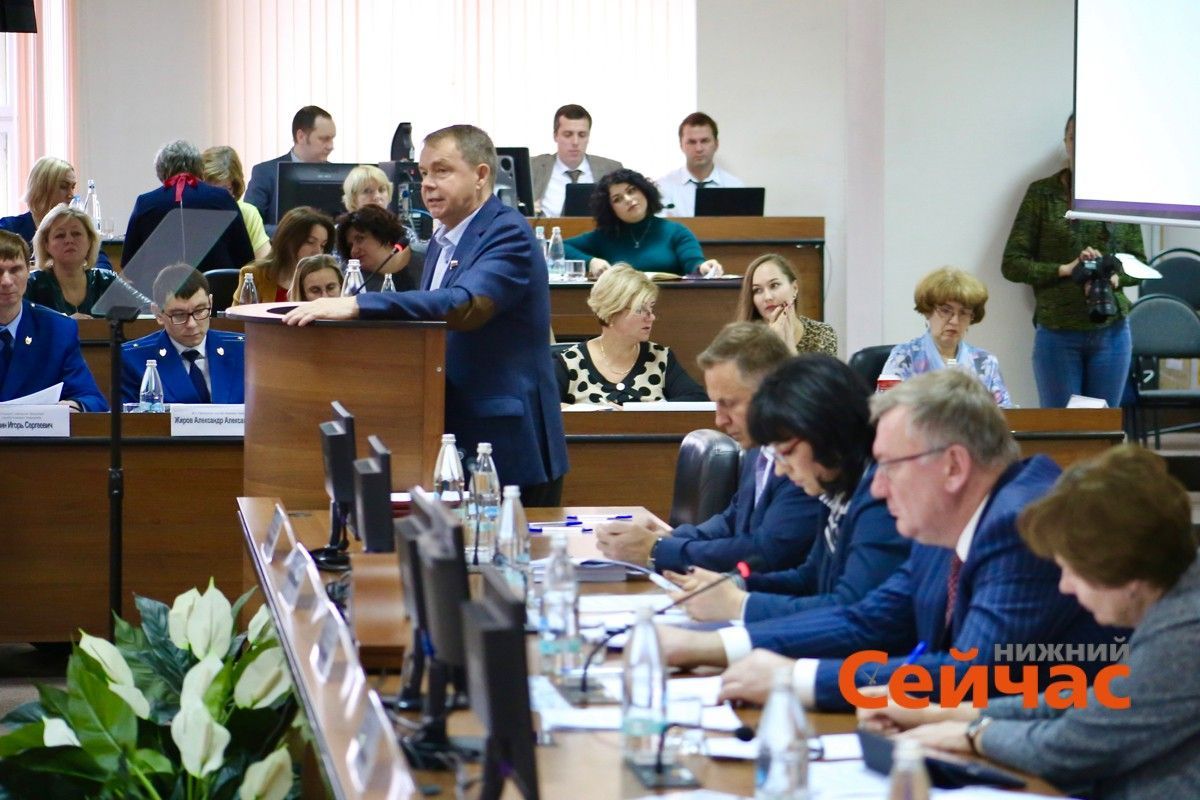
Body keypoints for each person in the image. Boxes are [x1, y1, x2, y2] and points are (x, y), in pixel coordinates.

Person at [663, 370, 1115, 712]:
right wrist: (711, 647)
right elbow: (873, 618)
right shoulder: (946, 522)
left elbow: (971, 675)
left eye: (891, 466)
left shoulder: (1020, 526)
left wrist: (799, 679)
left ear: (954, 467)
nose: (876, 488)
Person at [861, 445, 1200, 799]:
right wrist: (939, 713)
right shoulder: (1175, 602)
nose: (1064, 586)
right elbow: (1088, 702)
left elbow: (1068, 748)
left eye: (1073, 570)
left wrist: (971, 736)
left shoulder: (1185, 633)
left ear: (1127, 574)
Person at [282, 124, 568, 504]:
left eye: (442, 171)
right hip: (449, 435)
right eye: (424, 174)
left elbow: (464, 305)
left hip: (505, 446)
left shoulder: (507, 233)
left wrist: (357, 304)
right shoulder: (443, 237)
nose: (427, 184)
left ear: (481, 175)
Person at [663, 353, 910, 624]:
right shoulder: (838, 488)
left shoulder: (880, 495)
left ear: (825, 433)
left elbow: (851, 610)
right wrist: (734, 585)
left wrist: (741, 606)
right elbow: (809, 577)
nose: (781, 469)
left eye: (785, 452)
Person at [595, 322, 824, 574]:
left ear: (771, 393)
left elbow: (768, 551)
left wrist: (658, 549)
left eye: (729, 403)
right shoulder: (758, 446)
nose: (719, 420)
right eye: (716, 404)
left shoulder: (806, 456)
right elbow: (734, 518)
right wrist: (670, 536)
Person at [1002, 114, 1145, 408]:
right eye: (1074, 139)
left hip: (1112, 332)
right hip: (1058, 333)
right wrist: (1064, 269)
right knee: (1062, 431)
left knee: (1103, 432)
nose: (1080, 147)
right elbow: (1012, 263)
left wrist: (1115, 277)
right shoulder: (1042, 194)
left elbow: (1139, 262)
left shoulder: (1122, 192)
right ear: (1065, 142)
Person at [555, 264, 705, 405]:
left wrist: (643, 412)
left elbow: (697, 400)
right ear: (612, 312)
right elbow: (543, 409)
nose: (651, 317)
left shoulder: (660, 357)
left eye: (651, 308)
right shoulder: (569, 362)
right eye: (640, 310)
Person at [0, 230, 106, 411]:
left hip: (35, 436)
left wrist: (75, 406)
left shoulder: (58, 329)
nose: (7, 281)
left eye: (15, 270)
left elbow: (92, 400)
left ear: (29, 272)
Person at [880, 267, 1012, 407]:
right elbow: (885, 410)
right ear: (927, 311)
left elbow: (1005, 417)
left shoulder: (985, 363)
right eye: (945, 311)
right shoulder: (902, 357)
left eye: (964, 313)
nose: (955, 321)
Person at [563, 169, 724, 279]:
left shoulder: (676, 231)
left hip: (672, 305)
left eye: (631, 190)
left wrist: (703, 267)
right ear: (610, 209)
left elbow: (693, 263)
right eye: (617, 199)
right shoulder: (604, 236)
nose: (628, 199)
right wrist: (590, 261)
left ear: (645, 192)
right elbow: (558, 248)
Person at [123, 140, 255, 274]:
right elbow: (245, 257)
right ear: (199, 167)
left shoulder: (145, 203)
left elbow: (129, 265)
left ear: (161, 170)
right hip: (217, 289)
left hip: (158, 291)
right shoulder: (223, 198)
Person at [121, 265, 245, 404]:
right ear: (158, 313)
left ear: (211, 302)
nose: (191, 324)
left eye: (200, 311)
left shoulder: (244, 351)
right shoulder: (133, 360)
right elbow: (129, 421)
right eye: (179, 315)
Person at [0, 157, 112, 270]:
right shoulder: (9, 227)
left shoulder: (77, 228)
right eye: (63, 187)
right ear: (41, 188)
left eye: (73, 187)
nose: (71, 195)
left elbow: (104, 267)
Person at [245, 105, 337, 223]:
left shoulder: (335, 174)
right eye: (324, 139)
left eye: (332, 139)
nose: (331, 146)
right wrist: (294, 233)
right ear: (301, 136)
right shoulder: (265, 173)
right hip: (280, 241)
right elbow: (250, 226)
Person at [531, 104, 623, 218]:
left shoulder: (611, 169)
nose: (575, 142)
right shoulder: (532, 168)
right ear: (555, 136)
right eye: (568, 134)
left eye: (582, 135)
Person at [736, 253, 837, 356]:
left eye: (774, 285)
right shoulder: (743, 341)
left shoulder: (821, 334)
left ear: (794, 288)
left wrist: (788, 348)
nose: (767, 297)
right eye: (758, 290)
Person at [27, 204, 116, 318]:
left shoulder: (108, 281)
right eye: (60, 235)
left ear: (90, 241)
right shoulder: (31, 285)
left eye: (76, 234)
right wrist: (64, 324)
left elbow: (142, 315)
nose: (69, 240)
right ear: (46, 245)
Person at [233, 206, 334, 305]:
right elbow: (236, 319)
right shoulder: (255, 275)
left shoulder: (327, 277)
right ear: (288, 240)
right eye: (310, 242)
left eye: (322, 245)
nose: (318, 252)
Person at [657, 112, 745, 218]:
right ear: (681, 145)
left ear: (716, 144)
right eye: (692, 142)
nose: (699, 148)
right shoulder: (663, 187)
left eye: (705, 141)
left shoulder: (735, 187)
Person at [201, 145, 271, 259]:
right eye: (209, 189)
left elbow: (264, 264)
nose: (215, 197)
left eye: (224, 190)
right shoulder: (190, 214)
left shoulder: (247, 213)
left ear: (234, 187)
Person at [334, 205, 415, 292]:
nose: (353, 251)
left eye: (360, 239)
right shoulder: (351, 278)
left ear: (385, 234)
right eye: (350, 245)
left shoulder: (427, 258)